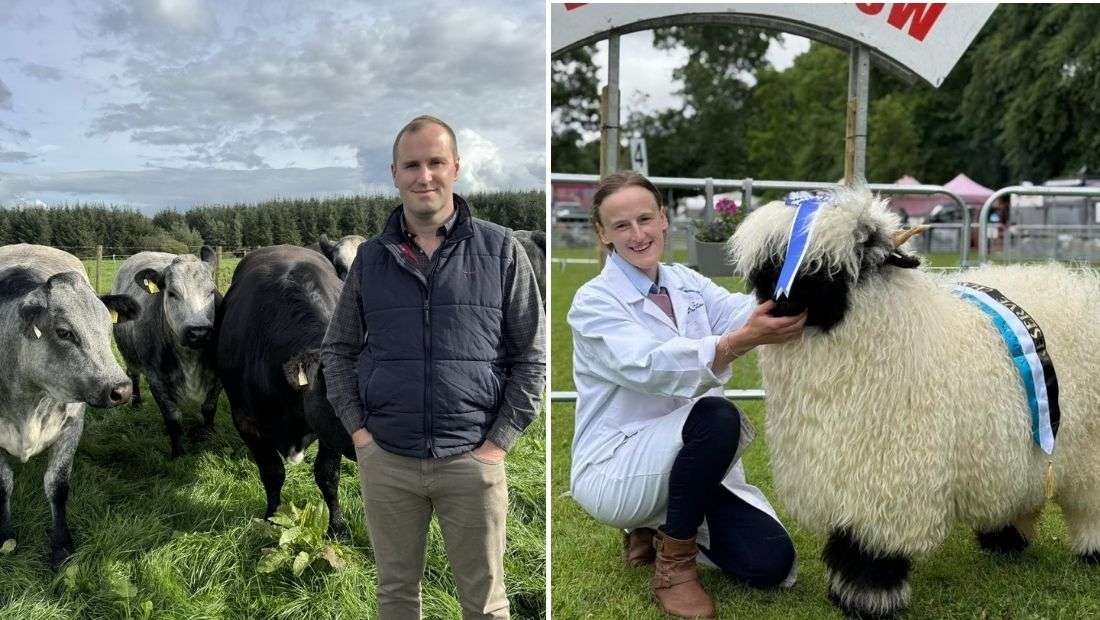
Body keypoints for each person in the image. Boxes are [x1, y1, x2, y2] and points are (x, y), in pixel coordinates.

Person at [321, 115, 545, 620]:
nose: (425, 176)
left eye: (436, 163)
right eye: (412, 165)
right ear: (395, 174)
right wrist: (360, 435)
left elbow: (532, 356)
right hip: (388, 461)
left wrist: (497, 443)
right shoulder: (371, 259)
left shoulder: (501, 249)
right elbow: (337, 351)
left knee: (485, 603)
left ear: (456, 168)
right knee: (396, 595)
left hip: (472, 459)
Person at [567, 171, 804, 619]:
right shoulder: (594, 302)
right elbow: (651, 366)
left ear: (663, 220)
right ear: (603, 234)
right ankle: (673, 566)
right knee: (716, 416)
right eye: (621, 226)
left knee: (772, 564)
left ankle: (656, 527)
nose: (637, 234)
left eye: (644, 219)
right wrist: (737, 342)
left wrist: (797, 282)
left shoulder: (685, 282)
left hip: (689, 459)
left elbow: (742, 311)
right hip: (620, 464)